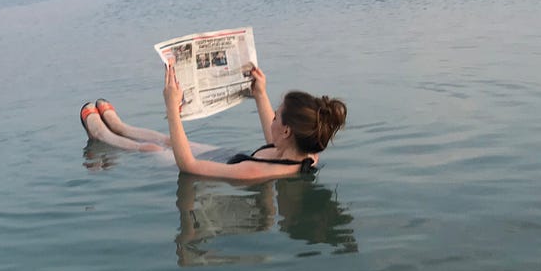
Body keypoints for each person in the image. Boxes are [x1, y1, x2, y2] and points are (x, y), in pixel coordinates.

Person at [79, 65, 347, 180]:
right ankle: (122, 127)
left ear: (287, 130)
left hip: (226, 166)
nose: (272, 118)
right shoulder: (304, 151)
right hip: (229, 156)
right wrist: (260, 93)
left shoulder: (256, 173)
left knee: (154, 150)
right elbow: (273, 139)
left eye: (276, 115)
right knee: (170, 141)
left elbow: (189, 167)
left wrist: (172, 107)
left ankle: (104, 135)